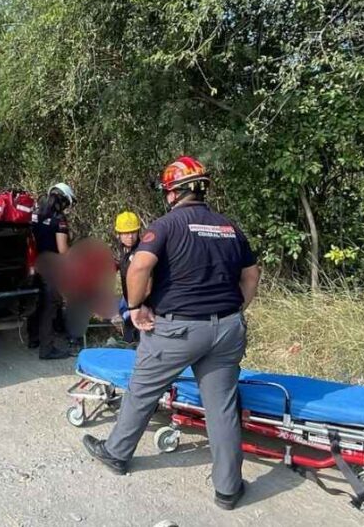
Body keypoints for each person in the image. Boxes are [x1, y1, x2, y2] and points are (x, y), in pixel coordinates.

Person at [81, 156, 261, 511]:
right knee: (222, 407)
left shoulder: (165, 226)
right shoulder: (229, 227)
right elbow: (252, 274)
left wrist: (135, 307)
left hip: (177, 329)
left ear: (173, 193)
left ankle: (116, 452)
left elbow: (139, 267)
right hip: (227, 329)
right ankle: (228, 489)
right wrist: (236, 309)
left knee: (142, 390)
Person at [29, 182, 78, 360]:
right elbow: (63, 250)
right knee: (49, 307)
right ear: (63, 201)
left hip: (33, 266)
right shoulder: (59, 219)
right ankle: (47, 349)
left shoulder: (35, 213)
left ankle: (33, 339)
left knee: (35, 304)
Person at [113, 211, 142, 344]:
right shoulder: (122, 249)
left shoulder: (143, 251)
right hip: (128, 298)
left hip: (141, 303)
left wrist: (135, 306)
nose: (130, 236)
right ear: (119, 234)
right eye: (126, 233)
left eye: (133, 232)